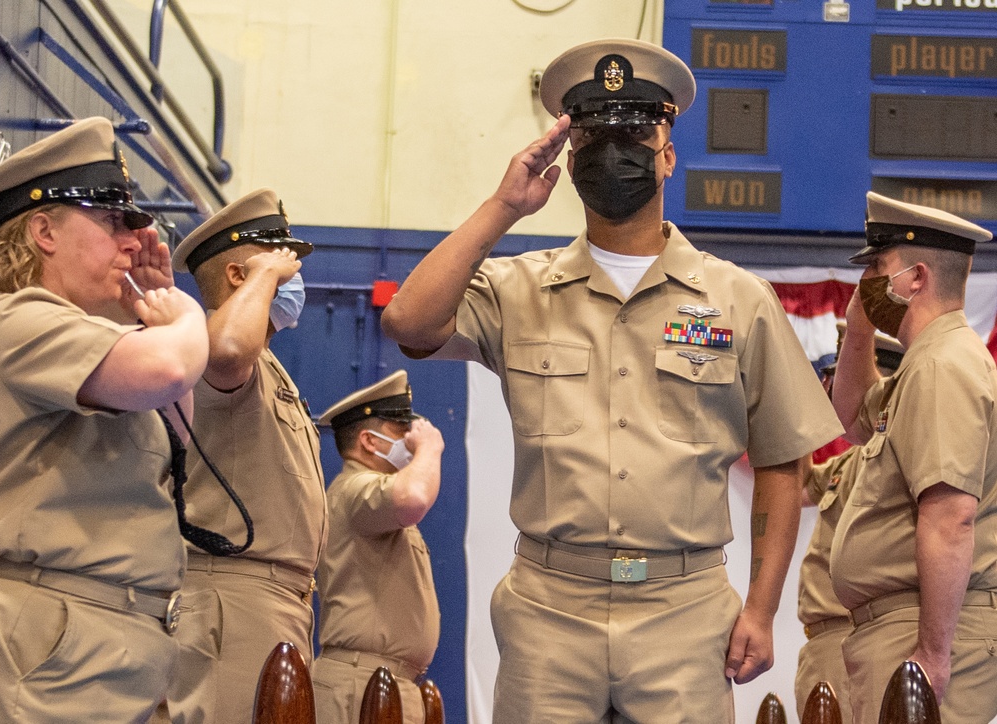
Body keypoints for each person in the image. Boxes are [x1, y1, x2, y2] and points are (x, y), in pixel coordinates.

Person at [381, 38, 842, 722]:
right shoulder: (517, 288)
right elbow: (410, 322)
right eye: (595, 134)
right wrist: (504, 207)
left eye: (634, 130)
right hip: (548, 609)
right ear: (570, 160)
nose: (614, 150)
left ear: (668, 153)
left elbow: (782, 459)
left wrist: (762, 606)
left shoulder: (738, 299)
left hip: (684, 614)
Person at [0, 117, 208, 721]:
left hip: (118, 640)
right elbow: (169, 372)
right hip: (60, 645)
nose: (130, 242)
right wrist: (186, 316)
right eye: (112, 221)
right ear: (44, 230)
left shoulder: (97, 341)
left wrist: (145, 313)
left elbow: (179, 428)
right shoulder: (17, 320)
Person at [159, 188, 328, 724]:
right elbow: (228, 350)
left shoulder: (268, 365)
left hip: (272, 601)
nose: (295, 274)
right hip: (231, 601)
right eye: (285, 264)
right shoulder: (219, 350)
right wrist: (262, 276)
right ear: (238, 275)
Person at [830, 191, 997, 723]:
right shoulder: (924, 363)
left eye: (878, 268)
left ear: (916, 278)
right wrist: (860, 326)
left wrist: (932, 655)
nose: (868, 282)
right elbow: (850, 416)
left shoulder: (942, 366)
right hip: (897, 627)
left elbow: (951, 517)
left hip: (920, 632)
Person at [311, 370, 444, 724]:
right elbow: (415, 496)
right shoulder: (356, 489)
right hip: (361, 686)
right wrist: (430, 449)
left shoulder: (371, 494)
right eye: (401, 431)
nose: (411, 440)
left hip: (384, 683)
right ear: (369, 441)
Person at [794, 323, 904, 721]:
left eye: (840, 382)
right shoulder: (847, 463)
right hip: (825, 642)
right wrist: (801, 417)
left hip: (864, 634)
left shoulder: (896, 457)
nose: (833, 394)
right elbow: (799, 488)